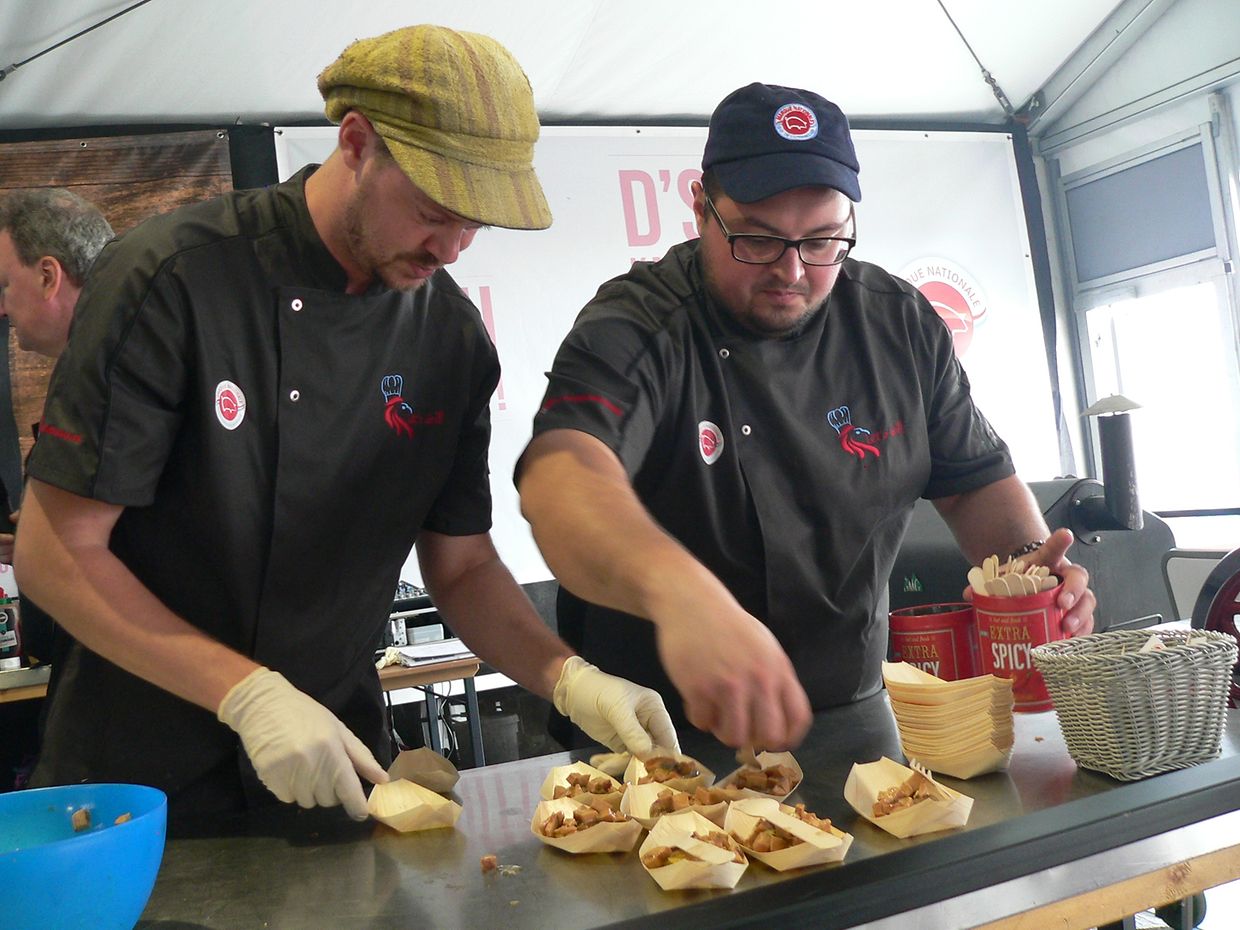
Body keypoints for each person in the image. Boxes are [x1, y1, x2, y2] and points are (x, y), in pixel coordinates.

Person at [14, 25, 675, 821]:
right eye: (434, 211)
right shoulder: (173, 280)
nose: (452, 248)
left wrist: (570, 679)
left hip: (335, 772)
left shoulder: (450, 341)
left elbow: (462, 566)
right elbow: (57, 554)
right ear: (356, 142)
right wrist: (248, 694)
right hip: (137, 788)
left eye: (476, 224)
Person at [515, 82, 1097, 753]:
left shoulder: (897, 322)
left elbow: (971, 482)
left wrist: (1027, 572)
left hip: (854, 711)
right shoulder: (637, 323)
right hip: (655, 732)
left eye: (822, 241)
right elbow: (564, 480)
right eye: (757, 240)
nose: (791, 271)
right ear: (702, 209)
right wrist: (682, 598)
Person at [0, 187, 114, 561]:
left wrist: (48, 550)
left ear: (48, 276)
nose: (2, 308)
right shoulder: (96, 366)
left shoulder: (113, 379)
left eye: (5, 286)